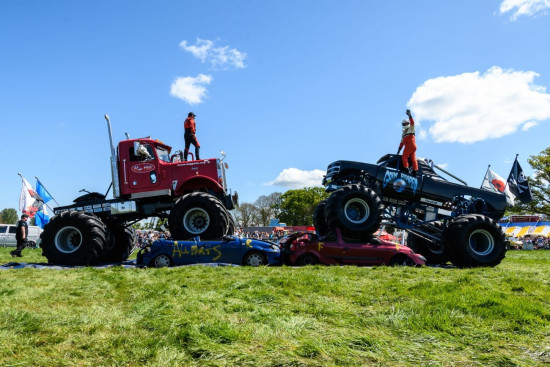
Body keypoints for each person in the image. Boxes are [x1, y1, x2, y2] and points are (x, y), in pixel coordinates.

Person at [397, 109, 418, 176]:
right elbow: (401, 143)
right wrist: (398, 150)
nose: (405, 124)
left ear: (408, 124)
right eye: (404, 124)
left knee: (404, 156)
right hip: (413, 146)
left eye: (406, 123)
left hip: (409, 145)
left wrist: (410, 115)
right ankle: (415, 171)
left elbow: (412, 123)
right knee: (413, 158)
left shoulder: (411, 128)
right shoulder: (403, 133)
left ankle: (406, 168)